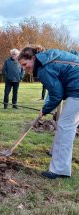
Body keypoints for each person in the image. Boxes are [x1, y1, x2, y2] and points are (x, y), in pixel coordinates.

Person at [18, 45, 79, 179]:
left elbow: (57, 94)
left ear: (33, 58)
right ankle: (57, 156)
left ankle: (60, 169)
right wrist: (45, 108)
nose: (24, 68)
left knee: (65, 127)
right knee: (65, 126)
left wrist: (45, 110)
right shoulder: (48, 59)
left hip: (77, 91)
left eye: (24, 64)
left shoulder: (44, 69)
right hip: (75, 91)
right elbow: (54, 91)